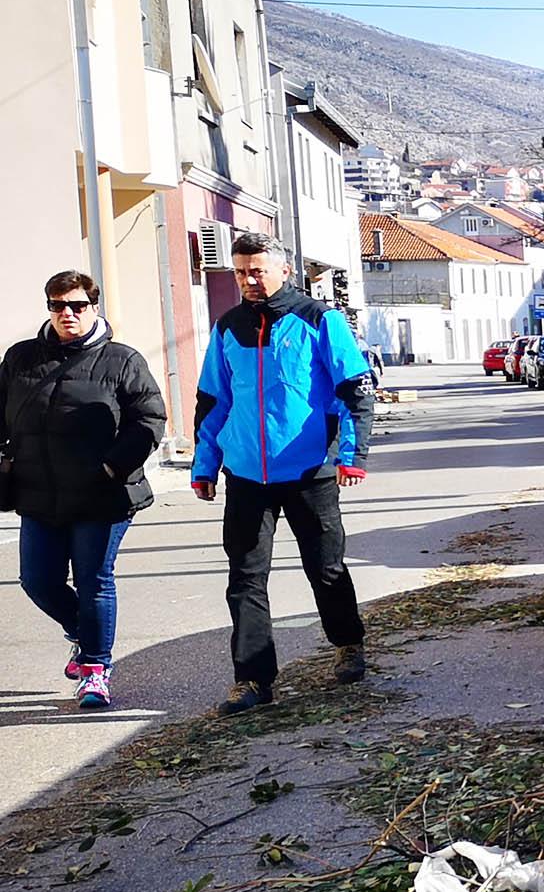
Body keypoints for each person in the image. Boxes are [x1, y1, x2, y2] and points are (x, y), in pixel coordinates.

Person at [190, 232, 376, 715]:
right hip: (248, 475)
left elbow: (354, 390)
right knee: (245, 578)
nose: (249, 280)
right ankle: (252, 680)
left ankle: (348, 643)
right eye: (240, 272)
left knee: (326, 567)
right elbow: (213, 400)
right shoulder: (227, 326)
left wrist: (351, 456)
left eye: (257, 270)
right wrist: (205, 465)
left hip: (310, 471)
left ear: (284, 270)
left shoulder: (320, 320)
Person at [1, 271, 167, 708]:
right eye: (58, 306)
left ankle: (95, 668)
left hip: (101, 495)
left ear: (94, 307)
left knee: (94, 581)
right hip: (38, 493)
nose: (67, 314)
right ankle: (82, 631)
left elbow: (149, 420)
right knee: (37, 580)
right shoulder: (21, 359)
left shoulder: (122, 361)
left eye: (77, 306)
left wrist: (113, 467)